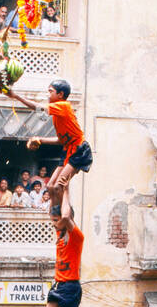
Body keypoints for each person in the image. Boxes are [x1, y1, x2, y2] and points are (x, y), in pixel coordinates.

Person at [6, 79, 93, 216]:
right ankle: (54, 217)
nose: (48, 95)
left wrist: (15, 96)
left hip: (79, 150)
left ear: (60, 94)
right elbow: (60, 140)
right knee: (51, 186)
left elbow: (38, 108)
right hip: (68, 149)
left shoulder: (63, 106)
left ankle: (65, 218)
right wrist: (40, 140)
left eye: (50, 91)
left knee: (59, 186)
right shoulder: (57, 114)